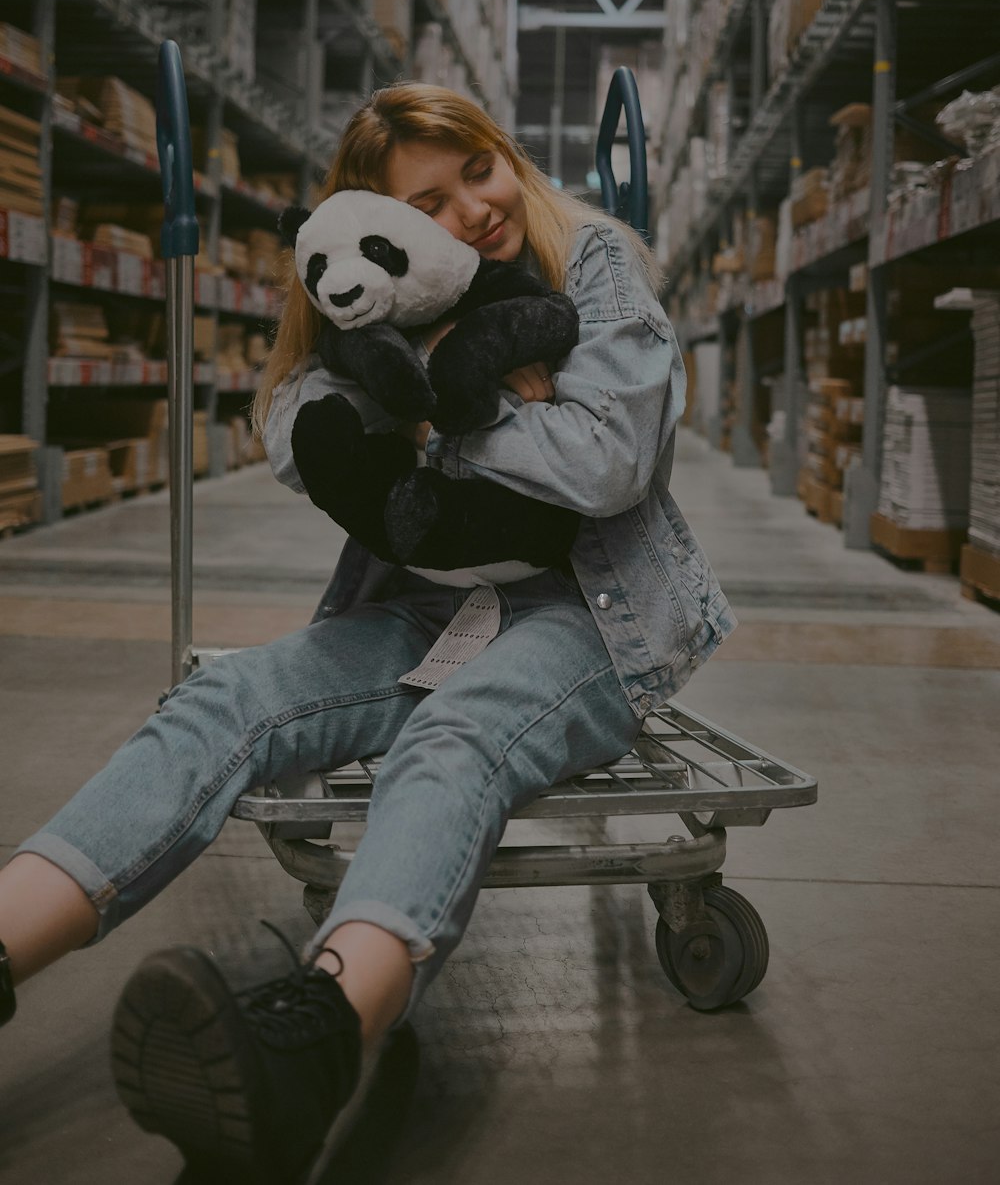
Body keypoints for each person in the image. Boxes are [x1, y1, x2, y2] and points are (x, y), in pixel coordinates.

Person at [0, 84, 736, 1182]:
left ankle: (320, 1039)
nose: (474, 211)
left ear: (505, 153)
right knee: (227, 700)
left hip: (592, 616)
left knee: (455, 740)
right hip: (427, 604)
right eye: (427, 205)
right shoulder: (377, 278)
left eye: (477, 170)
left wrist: (428, 417)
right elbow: (299, 422)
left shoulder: (588, 261)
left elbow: (607, 463)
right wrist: (450, 401)